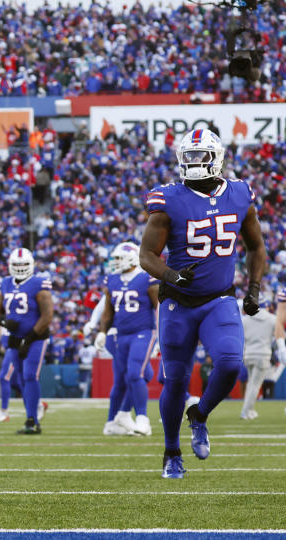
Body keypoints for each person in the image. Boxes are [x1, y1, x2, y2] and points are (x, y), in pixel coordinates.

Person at [140, 128, 266, 479]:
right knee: (176, 381)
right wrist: (171, 276)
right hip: (177, 302)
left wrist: (254, 289)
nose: (193, 163)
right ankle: (171, 453)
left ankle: (200, 415)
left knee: (229, 364)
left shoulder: (240, 193)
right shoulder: (168, 199)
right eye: (188, 157)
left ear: (217, 158)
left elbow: (256, 247)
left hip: (219, 299)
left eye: (200, 156)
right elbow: (146, 255)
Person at [96, 242, 159, 436]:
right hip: (120, 335)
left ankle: (142, 419)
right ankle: (119, 417)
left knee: (135, 374)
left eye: (118, 259)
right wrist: (102, 331)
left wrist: (161, 336)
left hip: (143, 332)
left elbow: (160, 308)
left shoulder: (146, 279)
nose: (115, 263)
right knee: (127, 378)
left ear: (131, 258)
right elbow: (108, 310)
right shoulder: (112, 280)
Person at [0, 248, 53, 434]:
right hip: (14, 338)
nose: (20, 268)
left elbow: (47, 316)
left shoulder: (39, 284)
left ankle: (32, 420)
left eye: (23, 265)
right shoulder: (6, 283)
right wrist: (2, 321)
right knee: (19, 379)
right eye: (17, 265)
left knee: (29, 376)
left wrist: (30, 338)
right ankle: (34, 410)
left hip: (35, 338)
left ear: (32, 265)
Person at [240, 295, 277, 419]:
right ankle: (246, 411)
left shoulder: (245, 319)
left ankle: (247, 410)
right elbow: (278, 338)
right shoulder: (272, 319)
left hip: (248, 354)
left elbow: (241, 338)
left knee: (251, 383)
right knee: (254, 384)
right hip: (263, 354)